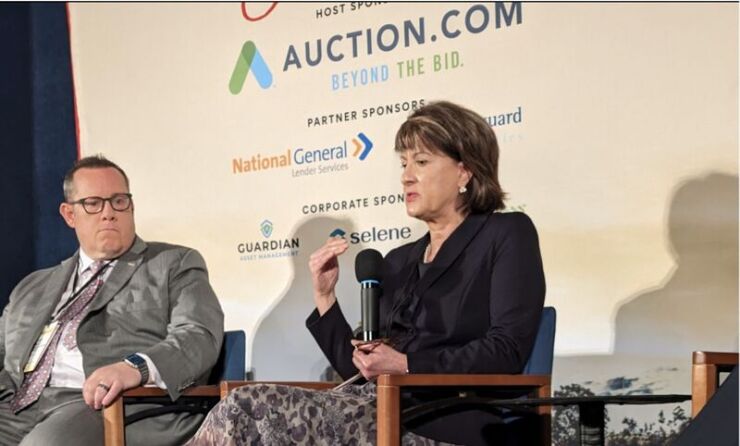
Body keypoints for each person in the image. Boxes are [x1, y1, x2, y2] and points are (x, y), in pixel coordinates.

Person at [188, 100, 546, 445]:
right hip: (374, 409)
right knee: (243, 410)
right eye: (403, 163)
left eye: (421, 161)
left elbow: (507, 348)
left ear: (464, 171)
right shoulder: (400, 260)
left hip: (451, 419)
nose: (406, 177)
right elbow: (358, 369)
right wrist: (325, 297)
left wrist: (407, 364)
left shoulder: (505, 233)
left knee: (248, 407)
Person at [0, 155, 224, 445]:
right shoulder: (32, 287)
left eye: (118, 201)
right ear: (70, 215)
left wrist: (134, 367)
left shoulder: (173, 264)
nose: (108, 213)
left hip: (109, 403)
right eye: (93, 203)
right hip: (19, 404)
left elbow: (199, 336)